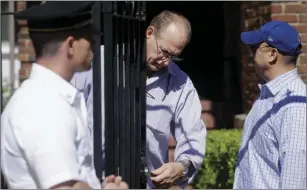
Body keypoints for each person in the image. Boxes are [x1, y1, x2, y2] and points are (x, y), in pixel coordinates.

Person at [71, 10, 207, 188]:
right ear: (149, 33)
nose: (166, 61)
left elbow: (193, 137)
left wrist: (181, 166)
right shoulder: (97, 62)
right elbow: (65, 112)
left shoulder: (181, 84)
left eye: (173, 56)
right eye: (164, 51)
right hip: (91, 182)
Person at [0, 2, 128, 189]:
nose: (94, 45)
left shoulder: (49, 98)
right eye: (89, 39)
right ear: (70, 46)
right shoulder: (43, 105)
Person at [233, 21, 306, 189]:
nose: (251, 55)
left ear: (272, 54)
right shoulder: (267, 94)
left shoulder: (295, 106)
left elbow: (294, 181)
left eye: (255, 48)